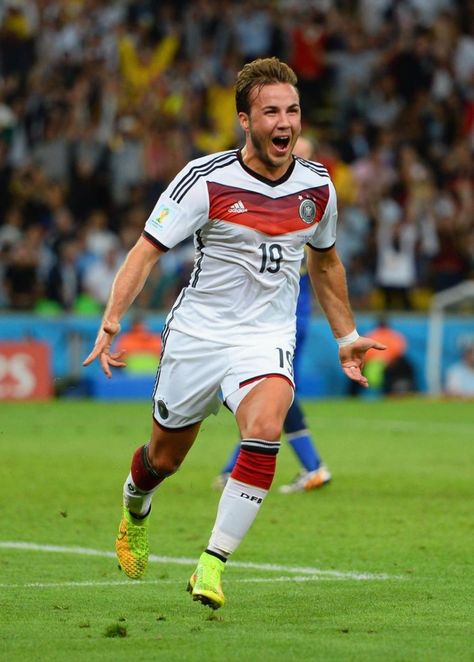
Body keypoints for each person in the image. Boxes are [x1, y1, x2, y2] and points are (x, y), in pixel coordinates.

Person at [83, 57, 385, 611]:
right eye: (271, 111)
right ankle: (135, 505)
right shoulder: (206, 179)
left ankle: (211, 564)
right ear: (245, 119)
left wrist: (347, 336)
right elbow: (146, 251)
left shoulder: (317, 186)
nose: (285, 122)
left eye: (292, 110)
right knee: (164, 459)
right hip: (198, 336)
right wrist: (112, 318)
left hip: (264, 338)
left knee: (267, 424)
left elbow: (325, 263)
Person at [214, 135, 331, 494]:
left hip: (285, 309)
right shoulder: (288, 198)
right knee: (261, 385)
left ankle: (311, 465)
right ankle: (239, 464)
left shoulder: (304, 202)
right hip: (277, 307)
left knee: (273, 387)